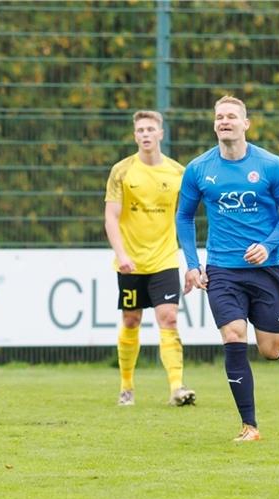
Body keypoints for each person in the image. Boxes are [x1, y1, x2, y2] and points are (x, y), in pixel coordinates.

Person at [175, 95, 279, 442]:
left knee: (267, 348)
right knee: (233, 335)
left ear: (246, 124)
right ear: (214, 124)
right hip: (222, 270)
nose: (224, 121)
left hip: (265, 270)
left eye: (232, 116)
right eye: (219, 117)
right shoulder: (199, 169)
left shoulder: (270, 165)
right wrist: (191, 265)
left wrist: (268, 244)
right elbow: (184, 217)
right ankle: (250, 425)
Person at [104, 110, 196, 407]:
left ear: (161, 134)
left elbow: (189, 213)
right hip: (131, 261)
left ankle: (177, 387)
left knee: (168, 318)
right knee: (131, 320)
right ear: (135, 136)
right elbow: (111, 217)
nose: (145, 134)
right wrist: (122, 254)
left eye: (150, 129)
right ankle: (126, 387)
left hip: (165, 259)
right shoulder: (122, 171)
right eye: (140, 130)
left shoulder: (178, 173)